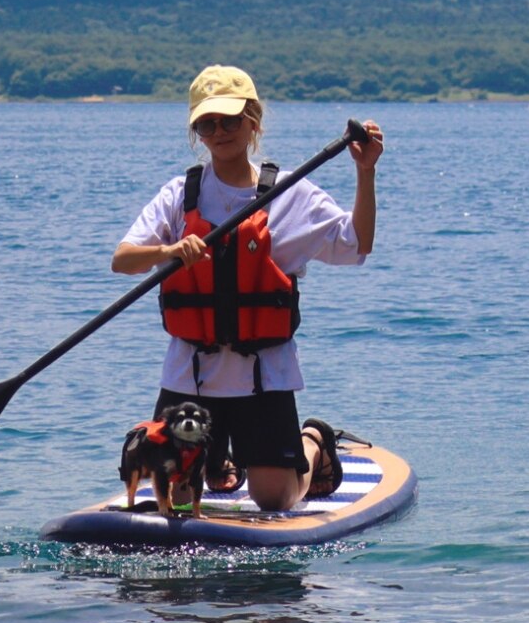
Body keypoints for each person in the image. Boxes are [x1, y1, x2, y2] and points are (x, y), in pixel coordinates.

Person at [112, 64, 383, 511]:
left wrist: (365, 173)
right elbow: (122, 260)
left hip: (263, 376)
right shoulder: (180, 196)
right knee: (176, 501)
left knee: (273, 500)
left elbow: (358, 244)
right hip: (191, 376)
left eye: (231, 120)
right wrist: (169, 250)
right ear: (197, 131)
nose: (219, 131)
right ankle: (216, 464)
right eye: (207, 123)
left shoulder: (290, 195)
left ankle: (314, 441)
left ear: (252, 121)